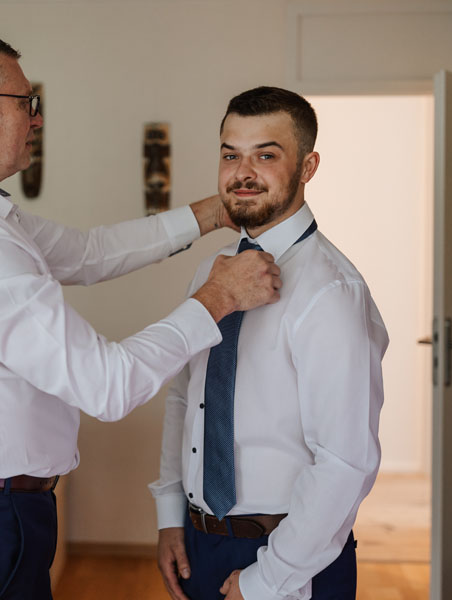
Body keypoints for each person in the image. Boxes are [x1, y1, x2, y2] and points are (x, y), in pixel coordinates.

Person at [0, 28, 283, 600]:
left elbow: (88, 253)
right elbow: (106, 385)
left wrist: (212, 213)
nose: (37, 119)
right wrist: (217, 298)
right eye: (26, 103)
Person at [149, 87, 389, 600]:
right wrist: (172, 517)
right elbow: (183, 397)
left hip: (290, 557)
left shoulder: (331, 292)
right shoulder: (209, 274)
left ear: (308, 166)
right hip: (199, 545)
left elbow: (346, 463)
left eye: (266, 155)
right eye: (230, 154)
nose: (243, 172)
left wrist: (268, 579)